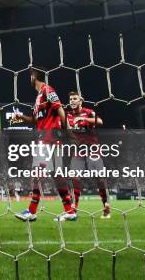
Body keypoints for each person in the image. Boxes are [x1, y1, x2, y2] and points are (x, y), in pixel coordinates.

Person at [13, 68, 76, 222]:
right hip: (46, 137)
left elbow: (60, 109)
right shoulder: (38, 98)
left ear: (34, 77)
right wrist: (21, 117)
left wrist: (69, 132)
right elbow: (35, 121)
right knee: (58, 176)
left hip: (50, 138)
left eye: (30, 75)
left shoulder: (48, 90)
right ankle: (69, 211)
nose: (30, 78)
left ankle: (32, 211)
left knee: (37, 173)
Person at [66, 91, 110, 219]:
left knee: (100, 179)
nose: (72, 101)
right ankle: (74, 210)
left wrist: (84, 119)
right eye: (71, 99)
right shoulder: (67, 116)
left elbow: (100, 121)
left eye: (75, 99)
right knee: (74, 178)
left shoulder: (88, 112)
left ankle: (106, 206)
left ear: (80, 101)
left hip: (93, 149)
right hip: (78, 150)